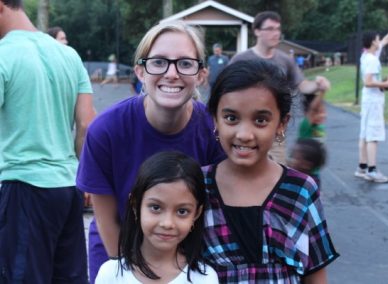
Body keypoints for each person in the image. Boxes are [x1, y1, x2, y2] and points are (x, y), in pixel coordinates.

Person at [76, 21, 225, 283]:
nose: (171, 73)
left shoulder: (214, 130)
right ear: (140, 72)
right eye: (158, 62)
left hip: (188, 263)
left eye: (185, 63)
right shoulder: (106, 131)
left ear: (201, 74)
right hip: (118, 254)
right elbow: (107, 219)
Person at [203, 60, 339, 283]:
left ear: (281, 124)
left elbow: (315, 273)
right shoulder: (196, 187)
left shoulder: (301, 190)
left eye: (260, 120)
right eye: (231, 118)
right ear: (215, 120)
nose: (244, 134)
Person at [0, 1, 96, 283]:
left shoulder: (3, 55)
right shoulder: (68, 55)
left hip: (22, 186)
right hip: (68, 187)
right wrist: (85, 176)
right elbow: (87, 124)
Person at [95, 151, 219, 283]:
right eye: (156, 208)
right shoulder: (110, 274)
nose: (167, 223)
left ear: (196, 213)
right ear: (136, 206)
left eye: (182, 211)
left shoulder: (204, 278)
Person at [230, 11, 330, 165]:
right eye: (270, 29)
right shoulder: (241, 59)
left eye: (278, 29)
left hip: (275, 132)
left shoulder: (285, 60)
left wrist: (317, 85)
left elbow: (302, 85)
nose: (275, 33)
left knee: (277, 175)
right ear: (257, 31)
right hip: (245, 129)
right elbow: (227, 92)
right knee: (244, 171)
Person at [354, 25, 388, 183]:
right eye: (378, 39)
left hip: (368, 100)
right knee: (373, 135)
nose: (380, 40)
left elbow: (387, 39)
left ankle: (362, 167)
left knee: (365, 134)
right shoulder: (372, 60)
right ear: (373, 42)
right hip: (373, 101)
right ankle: (372, 171)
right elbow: (368, 82)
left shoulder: (366, 55)